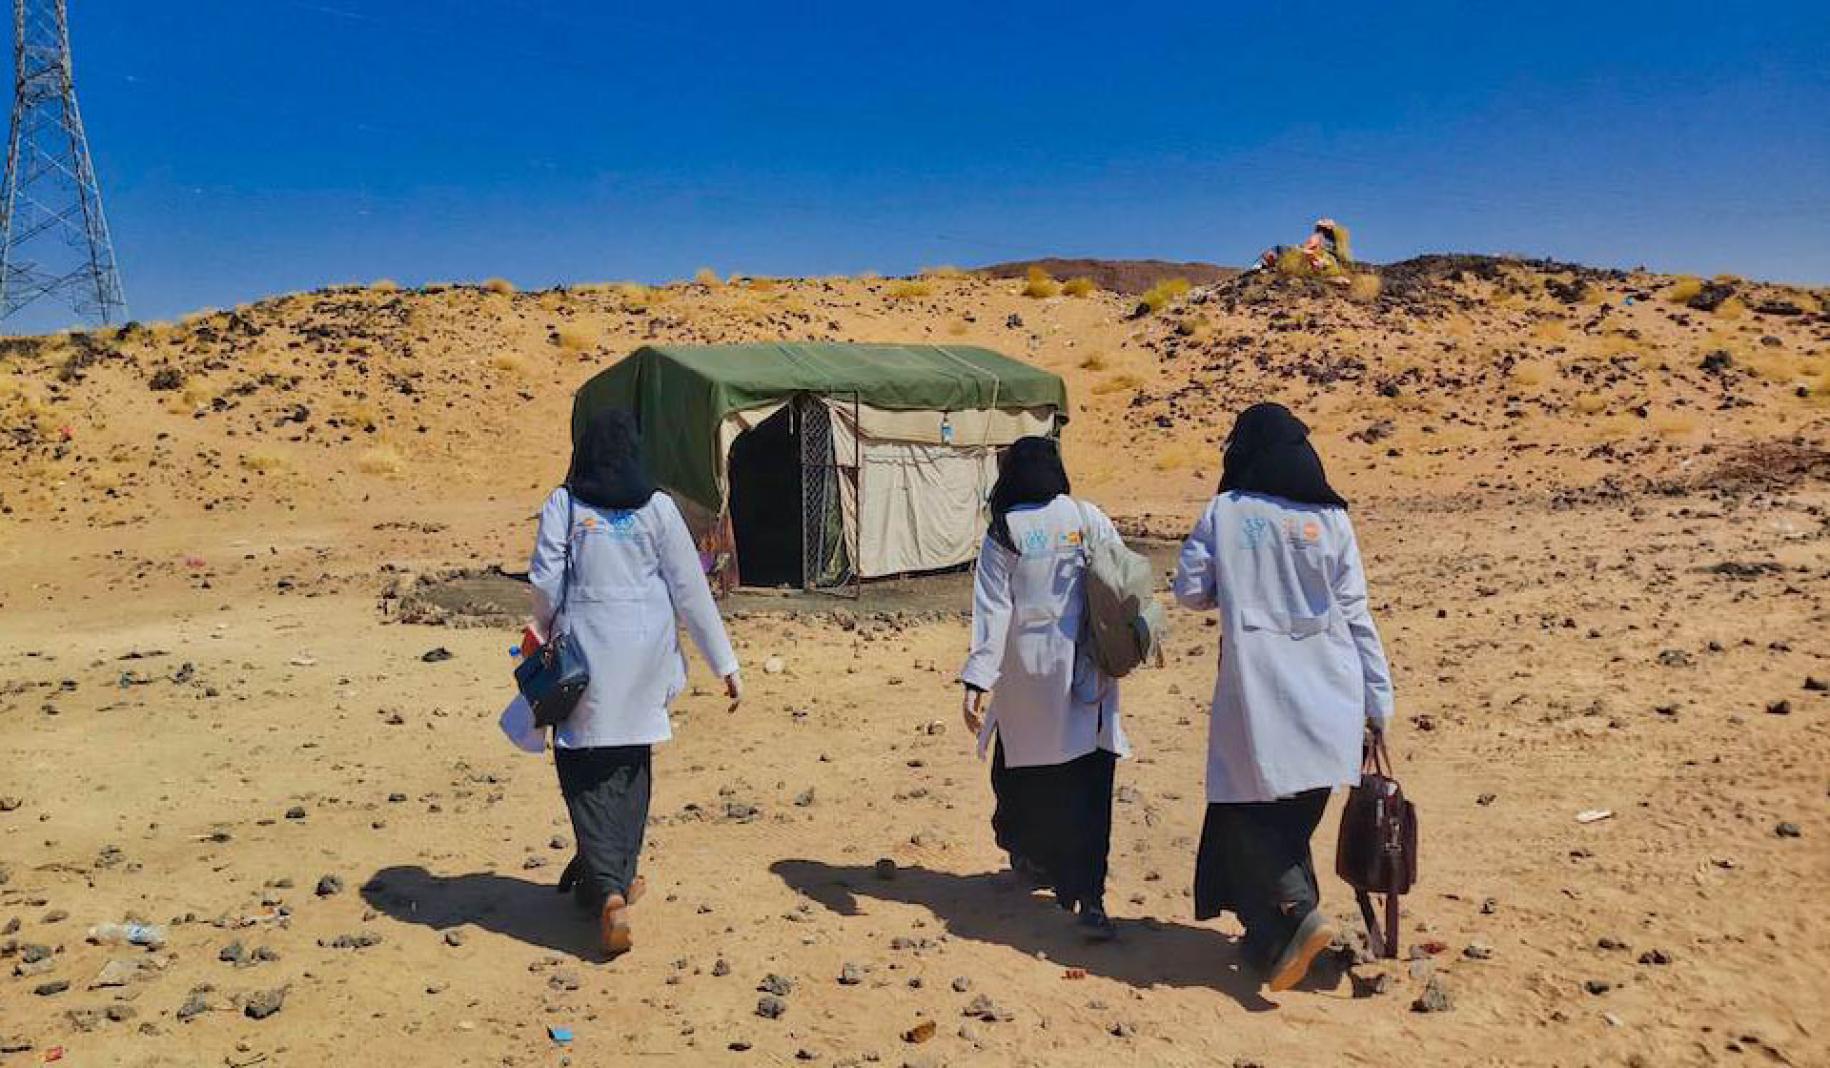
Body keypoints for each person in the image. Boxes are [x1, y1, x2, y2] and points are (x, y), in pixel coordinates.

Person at [1172, 403, 1394, 991]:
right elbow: (1357, 615)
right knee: (1293, 820)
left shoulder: (1226, 511)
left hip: (1258, 691)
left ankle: (1300, 914)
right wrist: (1378, 701)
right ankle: (1277, 941)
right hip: (1332, 690)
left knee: (1248, 818)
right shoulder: (1334, 521)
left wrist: (1238, 585)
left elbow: (1190, 590)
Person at [529, 408, 743, 958]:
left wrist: (541, 628)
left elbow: (547, 581)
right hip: (645, 656)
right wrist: (725, 665)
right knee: (629, 767)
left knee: (582, 767)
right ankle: (610, 882)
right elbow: (691, 589)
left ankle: (608, 892)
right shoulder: (658, 509)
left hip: (585, 657)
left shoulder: (566, 504)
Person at [959, 436, 1130, 939]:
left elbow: (993, 611)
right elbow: (1123, 579)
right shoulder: (1086, 517)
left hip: (1026, 679)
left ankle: (1045, 867)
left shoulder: (1005, 532)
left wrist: (977, 679)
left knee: (1030, 776)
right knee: (1089, 783)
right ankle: (1091, 897)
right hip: (1088, 673)